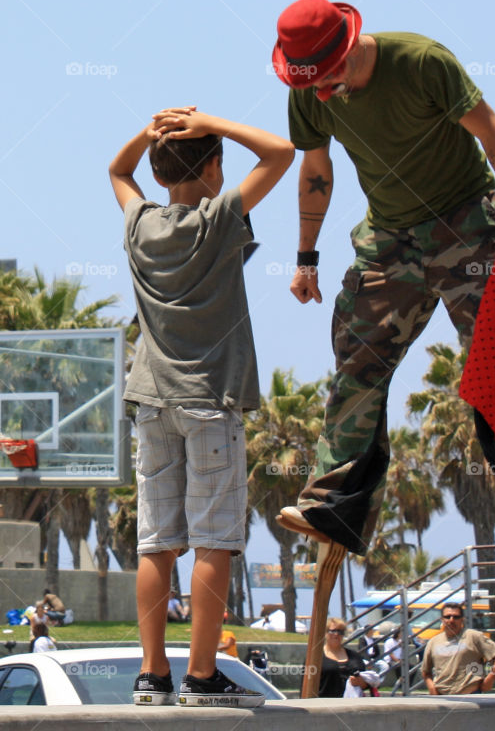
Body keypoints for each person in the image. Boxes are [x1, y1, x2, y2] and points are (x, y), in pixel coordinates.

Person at [271, 0, 495, 556]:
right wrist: (306, 256)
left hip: (467, 222)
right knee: (357, 359)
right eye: (310, 82)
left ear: (349, 45)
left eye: (328, 78)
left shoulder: (422, 61)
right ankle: (335, 505)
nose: (322, 92)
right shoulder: (309, 90)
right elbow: (316, 169)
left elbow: (491, 131)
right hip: (389, 235)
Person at [110, 107, 293, 707]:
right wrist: (210, 120)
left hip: (152, 400)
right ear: (213, 167)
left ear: (161, 175)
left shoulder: (141, 224)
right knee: (215, 540)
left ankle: (153, 673)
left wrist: (152, 130)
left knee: (157, 541)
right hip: (211, 400)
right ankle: (203, 674)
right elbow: (282, 153)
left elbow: (117, 169)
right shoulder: (219, 219)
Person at [421, 604, 495, 695]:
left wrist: (490, 678)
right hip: (443, 698)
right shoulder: (433, 642)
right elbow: (426, 671)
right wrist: (432, 688)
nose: (451, 620)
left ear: (462, 619)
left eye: (456, 617)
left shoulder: (473, 636)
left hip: (471, 694)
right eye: (447, 616)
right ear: (442, 619)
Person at [318, 618, 379, 698]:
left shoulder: (355, 656)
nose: (336, 634)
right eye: (332, 631)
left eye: (340, 632)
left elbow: (366, 684)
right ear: (325, 633)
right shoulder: (315, 658)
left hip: (352, 706)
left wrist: (360, 682)